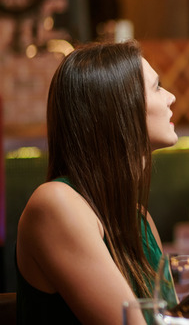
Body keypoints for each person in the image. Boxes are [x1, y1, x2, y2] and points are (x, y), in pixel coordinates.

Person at [15, 41, 178, 325]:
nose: (172, 97)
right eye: (157, 87)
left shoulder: (140, 218)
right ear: (118, 107)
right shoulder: (56, 204)